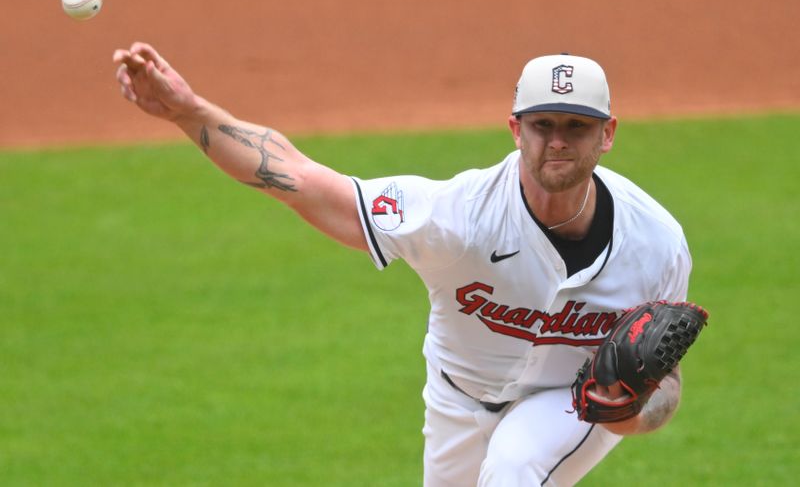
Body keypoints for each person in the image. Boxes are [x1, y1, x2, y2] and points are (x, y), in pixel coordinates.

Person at [113, 44, 691, 486]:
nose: (557, 142)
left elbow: (664, 381)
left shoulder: (657, 244)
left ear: (607, 134)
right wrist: (189, 113)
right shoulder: (456, 218)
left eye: (577, 126)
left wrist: (631, 413)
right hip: (456, 399)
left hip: (567, 400)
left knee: (514, 468)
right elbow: (306, 182)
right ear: (516, 129)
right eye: (543, 124)